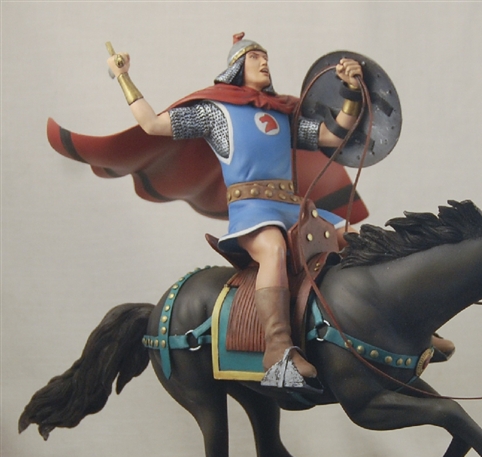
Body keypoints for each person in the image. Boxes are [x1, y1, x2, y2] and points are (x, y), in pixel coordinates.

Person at [107, 33, 365, 392]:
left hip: (293, 207)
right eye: (255, 57)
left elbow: (333, 136)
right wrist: (123, 76)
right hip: (252, 210)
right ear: (237, 66)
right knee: (273, 249)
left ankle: (391, 329)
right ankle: (278, 350)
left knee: (350, 237)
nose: (264, 62)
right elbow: (152, 124)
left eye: (266, 56)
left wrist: (352, 91)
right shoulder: (217, 112)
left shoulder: (281, 113)